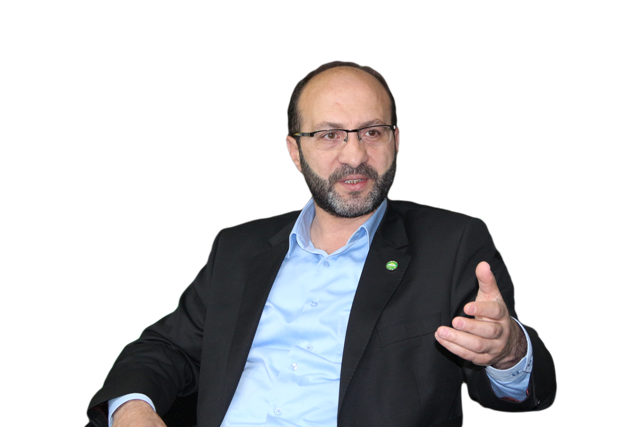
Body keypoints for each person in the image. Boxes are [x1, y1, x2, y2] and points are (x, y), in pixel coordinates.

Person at [86, 60, 557, 427]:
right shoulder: (239, 248)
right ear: (295, 150)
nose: (355, 155)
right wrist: (132, 408)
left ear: (396, 140)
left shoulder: (451, 243)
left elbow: (515, 395)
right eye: (329, 135)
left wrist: (509, 351)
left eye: (372, 132)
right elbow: (166, 349)